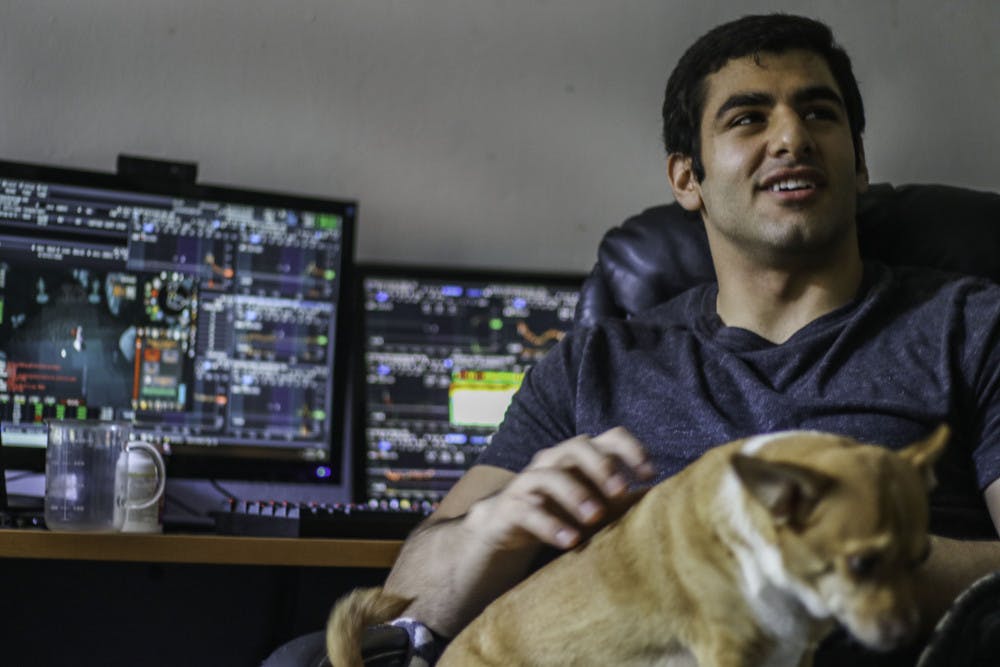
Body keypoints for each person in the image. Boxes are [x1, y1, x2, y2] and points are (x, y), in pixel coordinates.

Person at [380, 13, 1000, 665]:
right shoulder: (591, 366)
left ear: (861, 163)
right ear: (686, 178)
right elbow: (409, 604)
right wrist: (493, 525)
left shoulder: (973, 327)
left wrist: (847, 556)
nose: (793, 136)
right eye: (748, 118)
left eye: (820, 113)